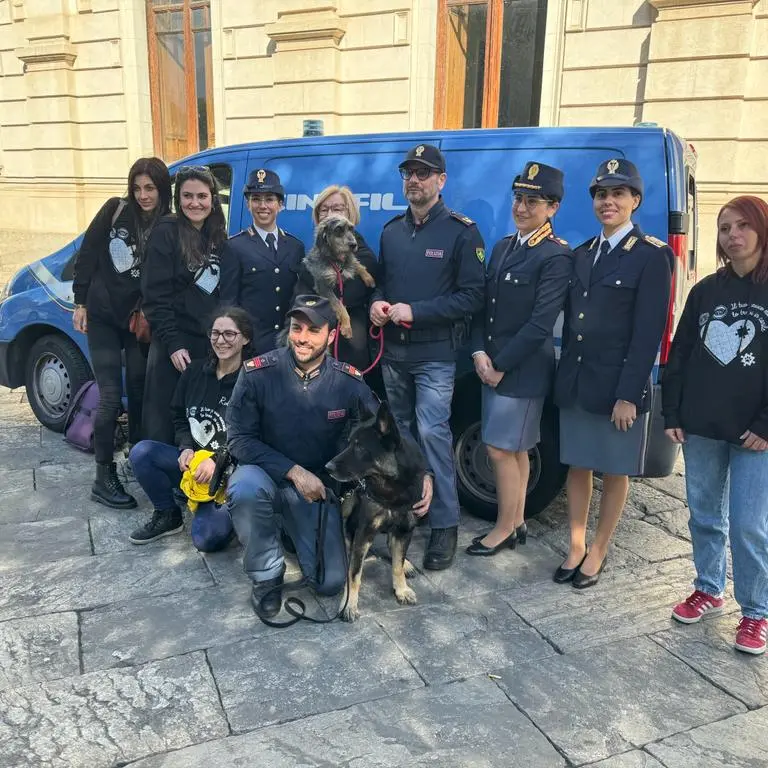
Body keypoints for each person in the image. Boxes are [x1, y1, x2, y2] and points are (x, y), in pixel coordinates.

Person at [226, 295, 432, 619]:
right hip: (266, 474)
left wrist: (425, 472)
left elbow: (388, 428)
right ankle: (266, 575)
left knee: (330, 582)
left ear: (331, 336)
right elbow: (238, 439)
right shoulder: (257, 374)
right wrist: (292, 471)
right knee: (244, 489)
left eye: (313, 330)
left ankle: (287, 527)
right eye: (296, 328)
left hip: (315, 490)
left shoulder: (347, 381)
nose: (302, 338)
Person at [553, 158, 672, 588]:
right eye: (602, 194)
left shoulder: (652, 256)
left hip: (617, 386)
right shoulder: (583, 253)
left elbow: (648, 334)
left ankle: (599, 549)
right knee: (578, 466)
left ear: (635, 201)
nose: (608, 202)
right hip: (579, 381)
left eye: (618, 194)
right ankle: (576, 544)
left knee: (615, 469)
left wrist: (629, 394)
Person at [370, 143, 485, 571]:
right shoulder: (391, 231)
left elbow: (473, 297)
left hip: (435, 355)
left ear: (441, 180)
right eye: (408, 173)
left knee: (433, 432)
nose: (414, 180)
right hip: (393, 354)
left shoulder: (461, 232)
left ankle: (444, 524)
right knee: (400, 437)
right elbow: (379, 284)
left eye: (423, 173)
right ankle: (405, 514)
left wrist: (416, 312)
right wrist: (376, 305)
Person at [663, 195, 768, 655]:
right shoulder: (706, 290)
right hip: (702, 427)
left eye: (743, 226)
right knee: (704, 514)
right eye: (725, 227)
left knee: (748, 525)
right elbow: (680, 351)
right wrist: (673, 413)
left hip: (756, 435)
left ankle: (756, 612)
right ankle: (708, 587)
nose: (733, 235)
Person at [468, 162, 573, 556]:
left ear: (553, 208)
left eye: (533, 201)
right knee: (511, 449)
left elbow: (540, 323)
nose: (522, 207)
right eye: (518, 198)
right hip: (491, 364)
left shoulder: (554, 256)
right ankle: (517, 520)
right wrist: (479, 353)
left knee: (501, 448)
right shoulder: (502, 247)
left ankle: (504, 527)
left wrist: (499, 365)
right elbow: (484, 307)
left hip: (521, 369)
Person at [72, 157, 171, 509]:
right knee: (111, 397)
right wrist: (80, 301)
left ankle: (140, 459)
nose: (143, 195)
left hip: (136, 323)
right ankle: (103, 475)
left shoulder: (168, 224)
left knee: (141, 390)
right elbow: (87, 252)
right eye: (138, 187)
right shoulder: (116, 210)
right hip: (102, 317)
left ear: (162, 189)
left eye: (150, 188)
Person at [128, 306, 252, 545]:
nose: (221, 340)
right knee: (142, 452)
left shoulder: (252, 381)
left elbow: (252, 436)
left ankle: (231, 510)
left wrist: (216, 460)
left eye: (229, 334)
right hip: (193, 464)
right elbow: (179, 416)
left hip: (227, 472)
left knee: (206, 540)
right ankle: (168, 514)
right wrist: (185, 446)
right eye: (215, 333)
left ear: (245, 338)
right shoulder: (194, 372)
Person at [141, 165, 228, 444]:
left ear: (212, 199)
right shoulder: (166, 232)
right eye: (187, 196)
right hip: (175, 345)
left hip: (206, 342)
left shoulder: (216, 234)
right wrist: (173, 343)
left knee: (199, 416)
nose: (195, 203)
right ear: (178, 199)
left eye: (202, 196)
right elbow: (155, 297)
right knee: (167, 416)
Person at [295, 184, 380, 378]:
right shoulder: (315, 255)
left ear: (350, 214)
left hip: (349, 349)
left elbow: (348, 294)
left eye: (337, 209)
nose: (329, 213)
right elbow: (300, 298)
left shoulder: (364, 256)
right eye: (323, 210)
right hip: (315, 350)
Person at [219, 169, 304, 354]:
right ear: (248, 204)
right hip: (252, 347)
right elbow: (229, 303)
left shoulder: (295, 246)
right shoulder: (235, 247)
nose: (262, 205)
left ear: (280, 204)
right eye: (256, 199)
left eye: (269, 199)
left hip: (288, 346)